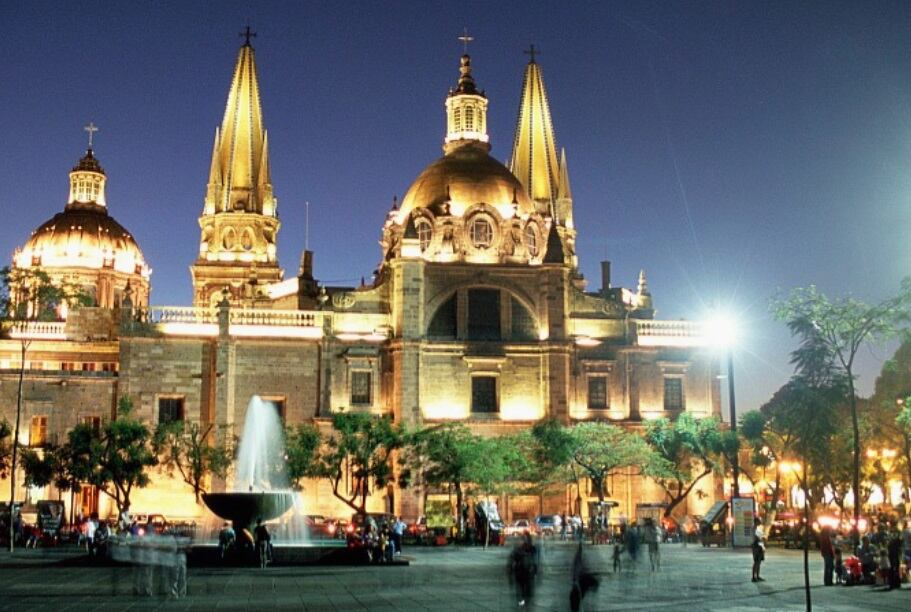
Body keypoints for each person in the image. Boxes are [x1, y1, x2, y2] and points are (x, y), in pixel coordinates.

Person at [508, 532, 539, 608]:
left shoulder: (533, 549)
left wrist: (535, 570)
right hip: (520, 573)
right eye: (523, 539)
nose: (524, 541)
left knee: (528, 591)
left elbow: (535, 561)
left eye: (526, 539)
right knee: (521, 591)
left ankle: (526, 603)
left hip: (528, 574)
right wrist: (510, 572)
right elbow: (512, 561)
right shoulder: (518, 550)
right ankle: (522, 603)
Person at [569, 542, 599, 612]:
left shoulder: (579, 557)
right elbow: (577, 569)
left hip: (579, 581)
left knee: (578, 599)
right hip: (580, 580)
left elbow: (576, 569)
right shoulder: (578, 558)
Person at [751, 517, 765, 582]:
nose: (760, 522)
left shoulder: (757, 528)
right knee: (756, 561)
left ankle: (758, 576)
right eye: (759, 521)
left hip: (759, 545)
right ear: (756, 521)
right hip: (756, 545)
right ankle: (754, 577)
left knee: (759, 562)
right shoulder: (754, 528)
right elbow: (756, 537)